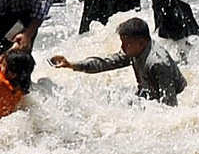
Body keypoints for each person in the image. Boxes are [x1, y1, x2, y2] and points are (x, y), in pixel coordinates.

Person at [51, 17, 186, 107]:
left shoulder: (158, 63)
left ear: (141, 43)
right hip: (149, 96)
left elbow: (171, 107)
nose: (122, 48)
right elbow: (105, 63)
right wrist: (71, 64)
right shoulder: (134, 50)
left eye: (126, 44)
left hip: (174, 98)